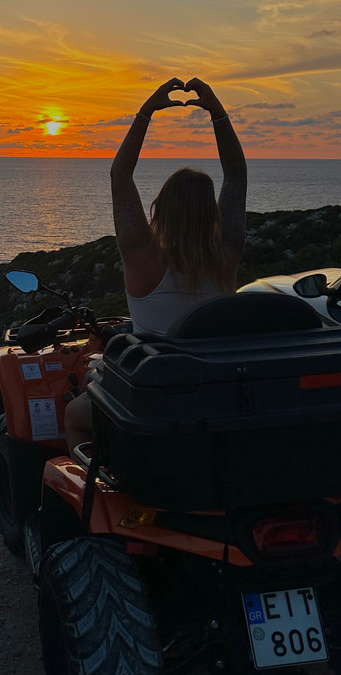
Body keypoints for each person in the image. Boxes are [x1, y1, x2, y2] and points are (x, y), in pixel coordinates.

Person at [63, 77, 247, 450]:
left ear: (159, 208)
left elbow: (120, 175)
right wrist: (217, 112)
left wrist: (147, 111)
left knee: (73, 417)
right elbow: (236, 173)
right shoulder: (226, 255)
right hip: (212, 392)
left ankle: (96, 494)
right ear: (213, 213)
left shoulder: (141, 255)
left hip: (149, 400)